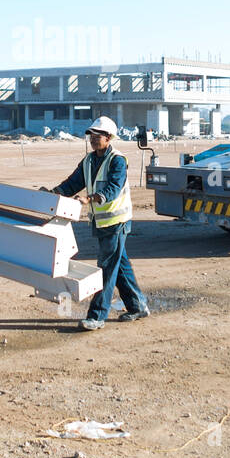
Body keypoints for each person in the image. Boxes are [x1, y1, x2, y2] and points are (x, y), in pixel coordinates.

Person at [49, 116, 148, 330]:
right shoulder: (89, 160)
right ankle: (138, 305)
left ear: (109, 138)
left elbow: (113, 187)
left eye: (98, 136)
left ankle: (97, 316)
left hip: (116, 222)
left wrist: (90, 198)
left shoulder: (117, 160)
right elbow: (73, 182)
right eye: (91, 136)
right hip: (101, 222)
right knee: (119, 266)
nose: (93, 139)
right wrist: (54, 193)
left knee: (105, 268)